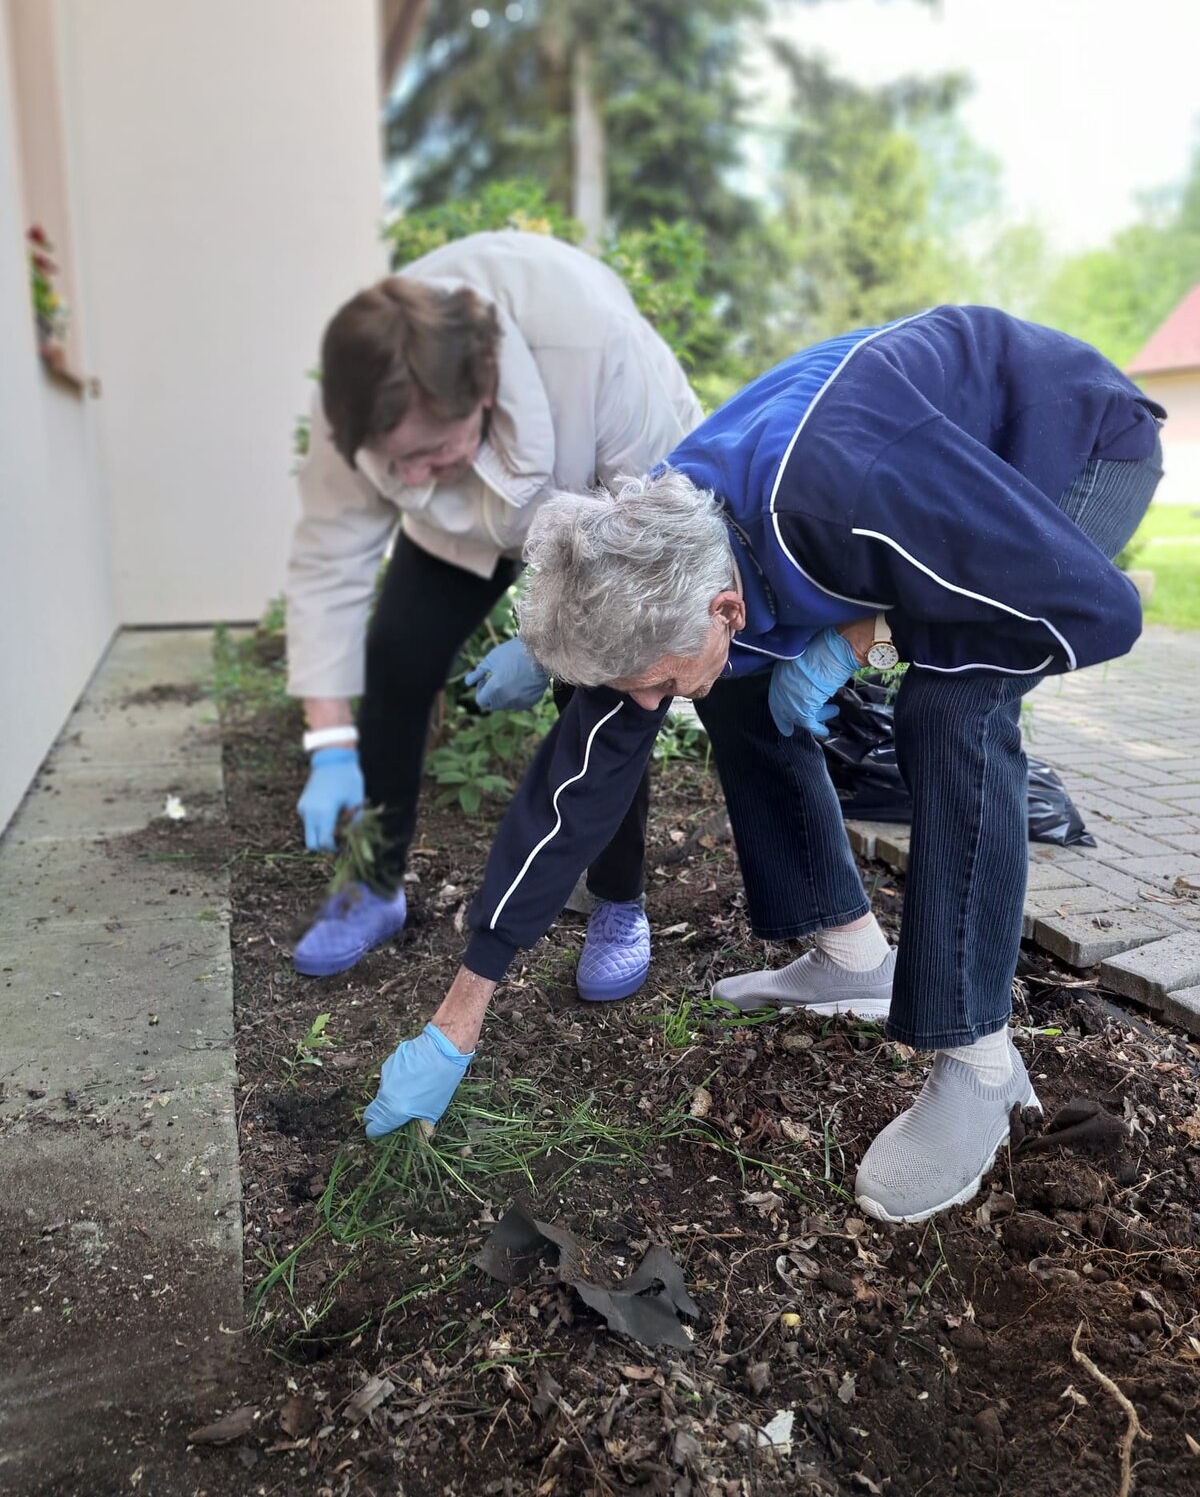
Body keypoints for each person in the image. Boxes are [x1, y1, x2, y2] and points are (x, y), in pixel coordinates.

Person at [360, 305, 1164, 1226]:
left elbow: (1096, 608)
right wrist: (459, 1013)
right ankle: (853, 958)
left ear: (726, 608)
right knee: (729, 685)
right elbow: (577, 784)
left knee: (952, 707)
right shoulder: (663, 554)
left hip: (1065, 445)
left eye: (655, 685)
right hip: (916, 487)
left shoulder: (851, 495)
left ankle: (981, 1065)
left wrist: (866, 637)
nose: (651, 705)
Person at [285, 230, 703, 999]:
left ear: (481, 390)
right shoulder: (357, 388)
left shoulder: (594, 348)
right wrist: (330, 742)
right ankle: (374, 883)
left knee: (603, 693)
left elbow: (648, 543)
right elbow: (327, 568)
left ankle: (618, 900)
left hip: (608, 506)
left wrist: (545, 647)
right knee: (397, 658)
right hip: (463, 520)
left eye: (429, 450)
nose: (410, 477)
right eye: (396, 462)